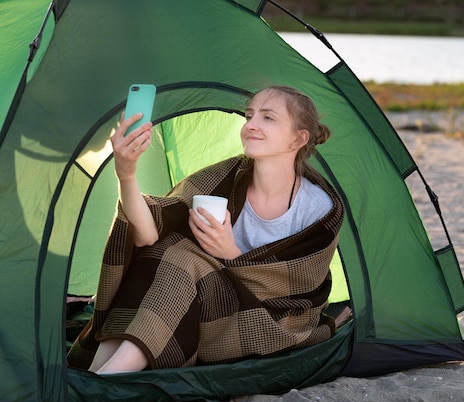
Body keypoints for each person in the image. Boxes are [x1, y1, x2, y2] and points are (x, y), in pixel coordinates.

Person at [67, 86, 344, 374]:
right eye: (249, 116)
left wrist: (231, 254)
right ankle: (98, 373)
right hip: (207, 304)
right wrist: (126, 172)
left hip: (271, 322)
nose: (251, 125)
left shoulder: (318, 208)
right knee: (166, 249)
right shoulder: (224, 178)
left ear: (298, 139)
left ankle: (107, 378)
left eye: (268, 118)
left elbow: (301, 290)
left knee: (183, 259)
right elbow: (147, 234)